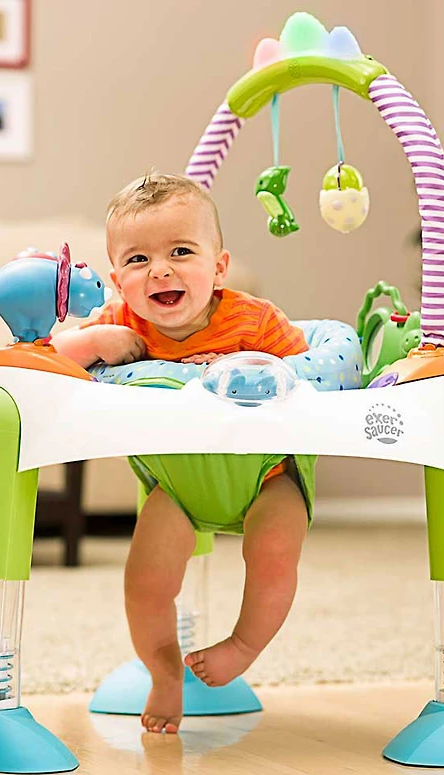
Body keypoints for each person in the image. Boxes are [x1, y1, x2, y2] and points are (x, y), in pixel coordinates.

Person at [53, 172, 316, 734]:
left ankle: (242, 646)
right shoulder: (120, 324)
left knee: (273, 553)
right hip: (175, 485)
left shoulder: (254, 321)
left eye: (180, 252)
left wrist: (252, 370)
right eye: (138, 259)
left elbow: (310, 374)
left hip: (266, 475)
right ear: (117, 279)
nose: (160, 270)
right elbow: (48, 359)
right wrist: (94, 342)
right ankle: (165, 670)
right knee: (145, 583)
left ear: (219, 267)